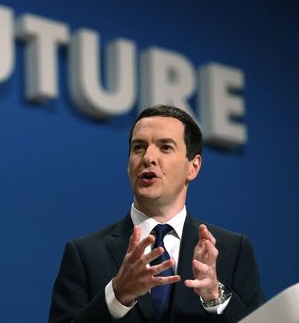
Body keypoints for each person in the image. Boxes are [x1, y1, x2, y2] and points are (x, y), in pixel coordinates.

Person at [49, 104, 265, 323]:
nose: (148, 157)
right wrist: (116, 296)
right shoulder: (85, 254)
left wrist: (216, 297)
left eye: (165, 147)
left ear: (193, 167)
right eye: (139, 147)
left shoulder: (232, 250)